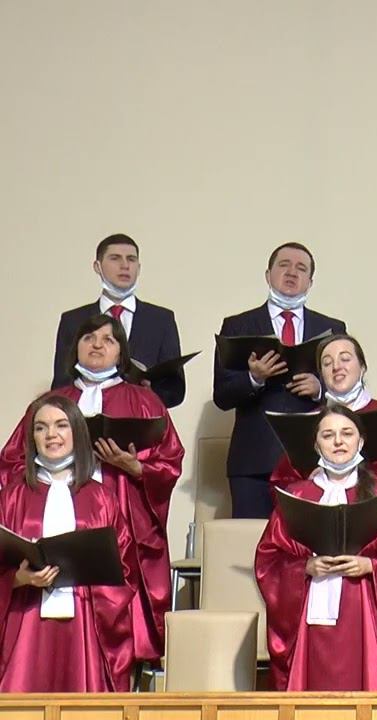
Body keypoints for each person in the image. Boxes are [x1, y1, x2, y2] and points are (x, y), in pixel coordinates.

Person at [1, 315, 182, 664]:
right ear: (75, 348)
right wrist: (35, 496)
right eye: (88, 338)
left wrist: (135, 467)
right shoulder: (51, 403)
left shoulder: (145, 402)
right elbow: (11, 461)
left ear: (122, 352)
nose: (97, 344)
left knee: (111, 592)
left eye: (108, 339)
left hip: (117, 514)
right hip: (45, 521)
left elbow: (170, 461)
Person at [255, 406, 377, 690]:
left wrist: (371, 566)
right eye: (328, 435)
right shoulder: (297, 496)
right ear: (316, 444)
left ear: (361, 441)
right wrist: (304, 567)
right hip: (309, 620)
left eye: (347, 433)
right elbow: (268, 562)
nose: (338, 442)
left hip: (363, 613)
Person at [0, 393, 136, 692]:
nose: (51, 434)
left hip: (85, 622)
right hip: (25, 622)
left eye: (61, 425)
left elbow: (125, 570)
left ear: (77, 432)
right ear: (31, 437)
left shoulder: (103, 499)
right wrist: (18, 579)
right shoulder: (10, 498)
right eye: (41, 427)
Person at [214, 242, 346, 519]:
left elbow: (347, 387)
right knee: (251, 541)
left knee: (307, 541)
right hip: (253, 462)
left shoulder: (332, 328)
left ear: (310, 282)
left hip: (312, 459)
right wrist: (254, 378)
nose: (292, 273)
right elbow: (222, 395)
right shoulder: (238, 326)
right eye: (284, 265)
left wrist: (320, 389)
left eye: (301, 268)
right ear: (268, 274)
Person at [268, 334, 377, 536]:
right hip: (319, 532)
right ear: (321, 374)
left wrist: (364, 485)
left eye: (345, 359)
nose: (336, 367)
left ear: (362, 367)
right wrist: (312, 486)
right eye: (327, 363)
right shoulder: (308, 424)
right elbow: (281, 485)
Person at [52, 233, 186, 408]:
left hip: (142, 418)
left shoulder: (161, 320)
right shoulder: (73, 320)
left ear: (139, 267)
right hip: (85, 418)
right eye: (115, 258)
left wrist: (150, 393)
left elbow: (176, 390)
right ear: (97, 266)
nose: (125, 265)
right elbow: (61, 383)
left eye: (131, 259)